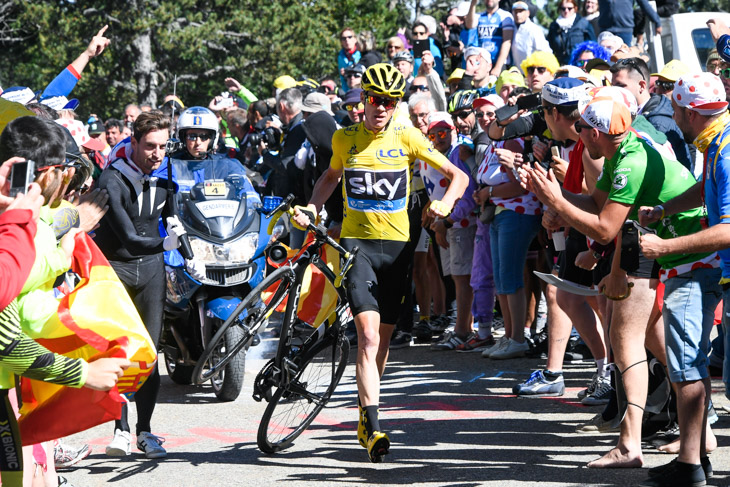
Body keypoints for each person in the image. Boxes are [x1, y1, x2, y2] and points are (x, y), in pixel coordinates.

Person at [521, 86, 705, 469]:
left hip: (675, 246)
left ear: (594, 134)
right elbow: (598, 205)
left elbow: (605, 228)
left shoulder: (630, 161)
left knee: (624, 339)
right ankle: (701, 431)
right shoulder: (623, 147)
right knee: (652, 341)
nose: (577, 134)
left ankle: (630, 444)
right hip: (653, 241)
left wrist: (557, 203)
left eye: (582, 128)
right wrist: (556, 194)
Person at [292, 63, 468, 462]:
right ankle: (373, 425)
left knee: (382, 342)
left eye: (389, 102)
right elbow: (329, 178)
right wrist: (312, 208)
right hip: (358, 246)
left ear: (396, 104)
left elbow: (458, 176)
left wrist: (444, 203)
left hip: (399, 249)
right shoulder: (344, 138)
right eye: (374, 100)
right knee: (368, 337)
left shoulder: (407, 135)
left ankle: (362, 414)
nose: (380, 108)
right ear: (362, 101)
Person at [637, 73, 730, 486]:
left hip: (708, 269)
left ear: (692, 113)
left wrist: (665, 248)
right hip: (721, 272)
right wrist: (666, 209)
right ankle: (693, 463)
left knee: (688, 364)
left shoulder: (724, 150)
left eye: (675, 109)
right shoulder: (715, 140)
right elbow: (705, 192)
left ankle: (692, 467)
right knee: (693, 364)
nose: (672, 116)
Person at [94, 111, 184, 460]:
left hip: (151, 271)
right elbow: (129, 239)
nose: (157, 154)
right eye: (150, 146)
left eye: (163, 146)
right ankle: (120, 429)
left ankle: (145, 431)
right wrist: (165, 244)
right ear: (133, 142)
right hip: (116, 266)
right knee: (119, 350)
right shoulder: (112, 178)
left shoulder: (167, 170)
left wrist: (188, 249)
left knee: (148, 353)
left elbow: (170, 215)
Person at [610, 58, 692, 171]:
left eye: (620, 86)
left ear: (642, 86)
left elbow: (658, 171)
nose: (614, 92)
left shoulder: (658, 123)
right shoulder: (638, 114)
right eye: (612, 86)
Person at [465, 0, 515, 76]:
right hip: (483, 63)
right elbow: (469, 25)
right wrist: (473, 4)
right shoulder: (479, 16)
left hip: (500, 63)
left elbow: (507, 42)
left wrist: (498, 67)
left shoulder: (505, 16)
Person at [547, 0, 596, 65]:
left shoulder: (584, 24)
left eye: (569, 8)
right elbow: (549, 47)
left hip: (579, 65)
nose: (566, 11)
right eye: (563, 8)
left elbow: (593, 46)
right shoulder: (554, 26)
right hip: (560, 65)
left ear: (575, 9)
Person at [510, 1, 552, 69]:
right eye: (516, 12)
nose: (518, 14)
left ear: (528, 13)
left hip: (532, 71)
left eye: (521, 11)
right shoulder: (511, 28)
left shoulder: (534, 29)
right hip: (517, 72)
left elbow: (545, 51)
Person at [337, 27, 361, 93]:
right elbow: (342, 79)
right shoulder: (340, 56)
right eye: (343, 38)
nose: (347, 40)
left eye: (349, 37)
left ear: (355, 39)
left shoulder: (361, 53)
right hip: (348, 91)